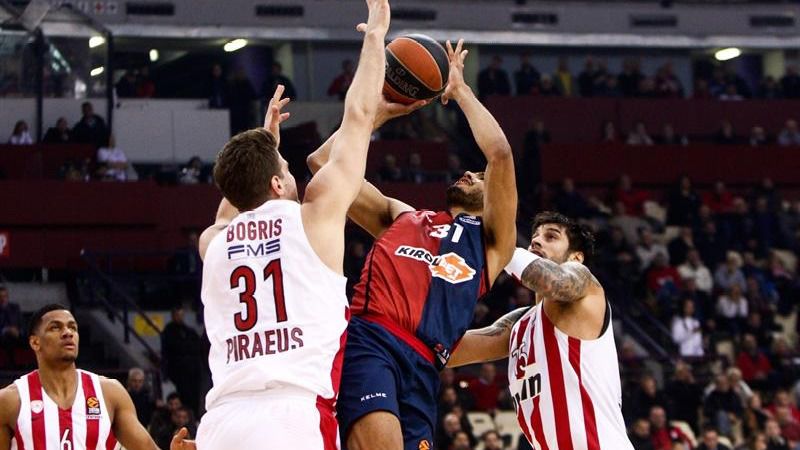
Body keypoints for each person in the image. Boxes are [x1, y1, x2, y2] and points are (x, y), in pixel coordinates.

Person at [194, 1, 394, 448]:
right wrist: (375, 35)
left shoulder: (214, 242)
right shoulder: (313, 218)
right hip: (293, 415)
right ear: (276, 183)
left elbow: (231, 204)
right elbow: (359, 117)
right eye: (285, 169)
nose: (293, 176)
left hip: (222, 422)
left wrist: (265, 145)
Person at [306, 37, 516, 450]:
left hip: (424, 364)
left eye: (479, 178)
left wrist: (460, 91)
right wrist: (373, 117)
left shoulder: (492, 245)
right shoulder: (403, 216)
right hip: (373, 341)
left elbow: (500, 154)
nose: (469, 175)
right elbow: (321, 164)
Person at [448, 211, 634, 449]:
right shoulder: (518, 324)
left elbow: (552, 282)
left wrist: (501, 245)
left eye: (551, 237)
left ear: (576, 257)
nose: (536, 240)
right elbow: (448, 352)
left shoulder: (585, 284)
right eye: (535, 236)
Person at [0, 304, 161, 449]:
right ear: (35, 342)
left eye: (73, 327)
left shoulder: (109, 392)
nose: (67, 333)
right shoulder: (10, 400)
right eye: (55, 328)